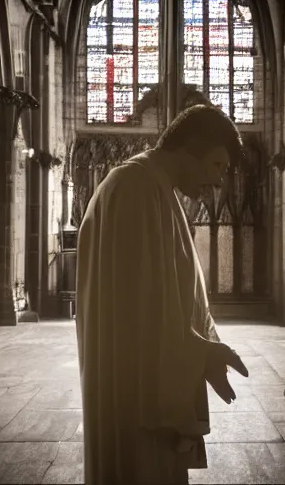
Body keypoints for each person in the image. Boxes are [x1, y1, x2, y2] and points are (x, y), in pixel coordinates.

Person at [75, 104, 250, 485]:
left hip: (146, 393)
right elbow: (140, 314)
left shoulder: (156, 188)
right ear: (190, 149)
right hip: (134, 402)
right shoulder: (135, 188)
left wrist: (205, 352)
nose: (218, 182)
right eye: (217, 165)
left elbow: (177, 295)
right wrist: (202, 351)